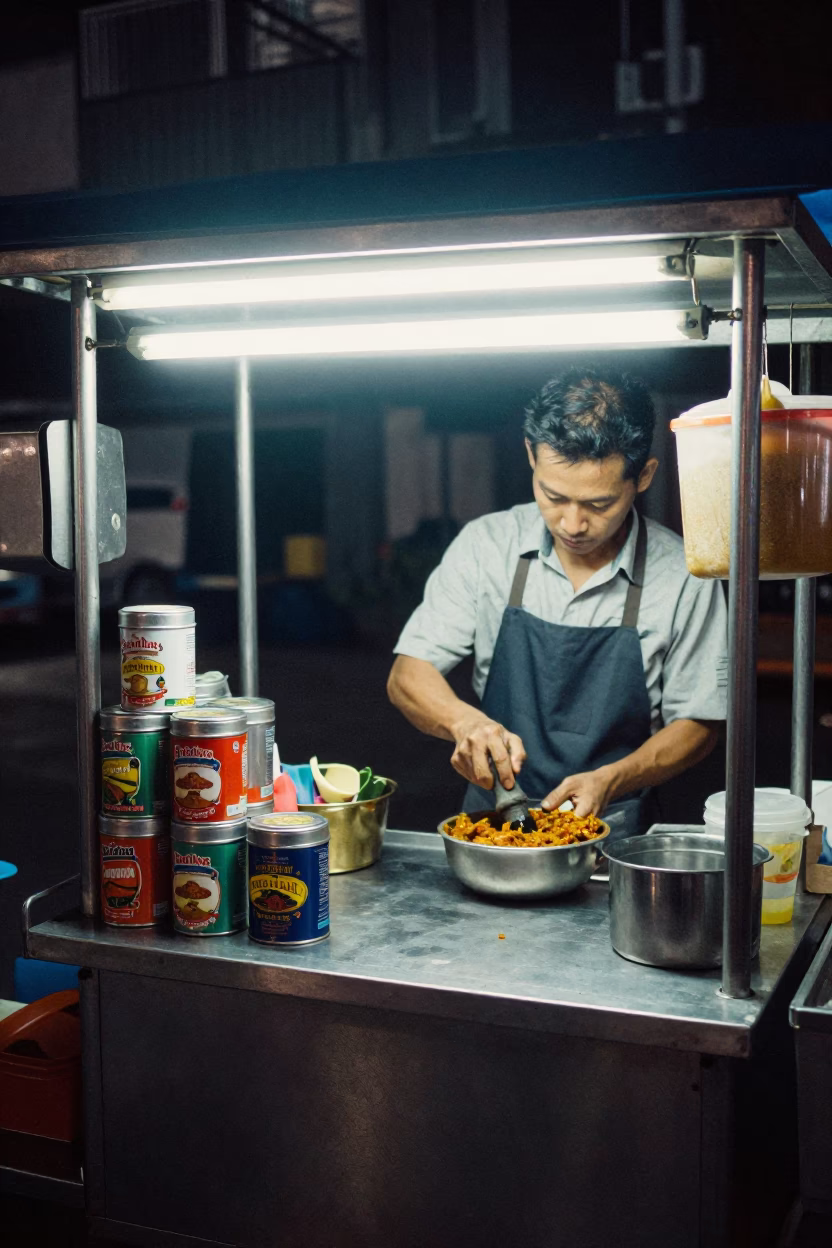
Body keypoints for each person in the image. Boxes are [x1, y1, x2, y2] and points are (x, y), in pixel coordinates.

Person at [387, 368, 727, 837]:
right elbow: (409, 674)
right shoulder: (486, 545)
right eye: (553, 495)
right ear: (531, 454)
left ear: (643, 476)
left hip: (618, 831)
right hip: (493, 822)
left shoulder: (685, 574)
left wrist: (612, 779)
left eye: (599, 504)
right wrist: (464, 723)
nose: (572, 523)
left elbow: (698, 723)